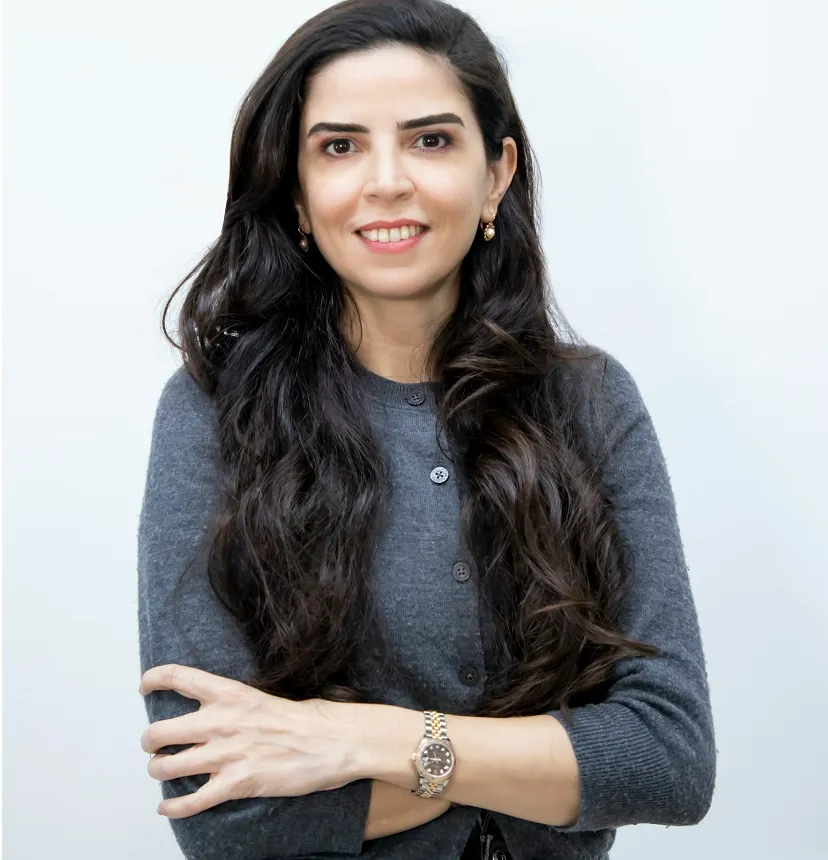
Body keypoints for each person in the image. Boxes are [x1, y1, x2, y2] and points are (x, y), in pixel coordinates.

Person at [136, 1, 716, 858]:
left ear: (496, 175)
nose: (386, 182)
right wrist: (539, 763)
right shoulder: (213, 412)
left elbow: (668, 761)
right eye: (340, 147)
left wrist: (363, 741)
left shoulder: (589, 401)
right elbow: (226, 818)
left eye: (431, 140)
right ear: (297, 193)